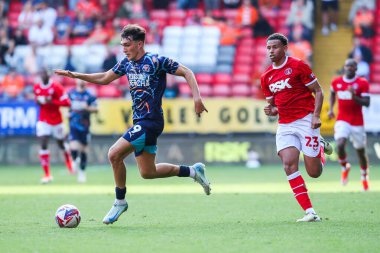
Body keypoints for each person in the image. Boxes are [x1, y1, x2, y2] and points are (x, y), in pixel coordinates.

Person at [55, 24, 210, 225]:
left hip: (150, 122)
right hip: (141, 121)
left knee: (113, 154)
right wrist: (76, 75)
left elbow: (187, 72)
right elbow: (104, 78)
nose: (124, 49)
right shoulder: (126, 64)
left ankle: (120, 201)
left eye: (127, 45)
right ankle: (192, 171)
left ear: (139, 44)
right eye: (122, 45)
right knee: (148, 172)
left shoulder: (156, 61)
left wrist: (196, 98)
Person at [260, 33, 333, 222]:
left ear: (285, 48)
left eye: (274, 47)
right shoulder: (266, 76)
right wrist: (271, 110)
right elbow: (274, 106)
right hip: (285, 124)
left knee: (314, 173)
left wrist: (316, 116)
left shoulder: (298, 66)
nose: (271, 51)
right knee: (288, 165)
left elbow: (318, 90)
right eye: (268, 48)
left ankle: (320, 148)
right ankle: (310, 212)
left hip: (306, 120)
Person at [327, 59, 370, 191]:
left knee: (360, 151)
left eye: (352, 66)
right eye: (347, 66)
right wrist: (330, 109)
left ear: (356, 69)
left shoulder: (362, 83)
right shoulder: (336, 82)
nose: (349, 68)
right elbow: (332, 93)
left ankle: (364, 176)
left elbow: (366, 102)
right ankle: (344, 167)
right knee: (339, 144)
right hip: (342, 119)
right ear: (344, 67)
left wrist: (354, 96)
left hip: (357, 121)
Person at [33, 68, 74, 184]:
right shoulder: (36, 87)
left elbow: (67, 103)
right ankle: (47, 175)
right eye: (41, 73)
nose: (42, 75)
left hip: (56, 120)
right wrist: (39, 102)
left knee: (61, 144)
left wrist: (52, 102)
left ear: (48, 75)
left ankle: (69, 164)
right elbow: (37, 101)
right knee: (43, 143)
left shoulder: (56, 87)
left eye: (44, 73)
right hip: (43, 120)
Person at [67, 79, 98, 183]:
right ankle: (75, 160)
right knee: (74, 148)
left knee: (84, 151)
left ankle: (82, 172)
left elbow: (96, 109)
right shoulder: (71, 94)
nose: (81, 82)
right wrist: (68, 113)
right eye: (79, 80)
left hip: (85, 126)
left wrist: (87, 108)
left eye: (83, 80)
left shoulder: (90, 95)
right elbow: (65, 104)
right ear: (76, 81)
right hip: (73, 125)